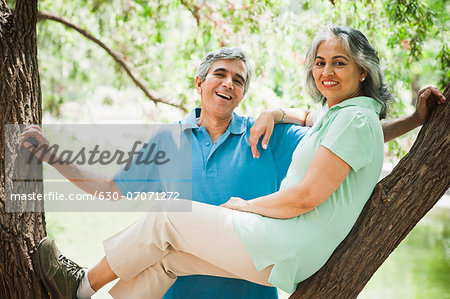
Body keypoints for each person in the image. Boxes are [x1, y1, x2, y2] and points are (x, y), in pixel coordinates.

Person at [22, 33, 445, 298]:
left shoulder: (273, 135)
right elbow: (107, 190)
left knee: (167, 218)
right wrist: (50, 155)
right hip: (238, 267)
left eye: (239, 79)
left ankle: (78, 286)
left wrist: (245, 203)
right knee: (169, 259)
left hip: (273, 254)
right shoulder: (168, 140)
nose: (228, 83)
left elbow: (329, 170)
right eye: (220, 74)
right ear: (199, 82)